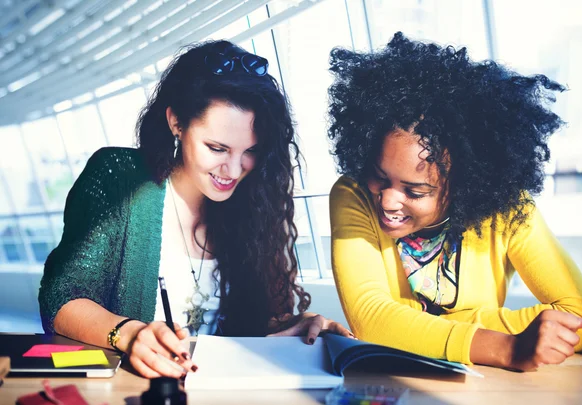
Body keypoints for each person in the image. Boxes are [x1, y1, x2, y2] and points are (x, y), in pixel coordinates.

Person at [39, 40, 351, 379]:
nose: (233, 170)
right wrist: (131, 335)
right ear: (176, 123)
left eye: (250, 151)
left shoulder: (256, 203)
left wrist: (290, 326)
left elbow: (248, 330)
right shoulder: (120, 178)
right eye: (217, 148)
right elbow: (61, 298)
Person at [327, 32, 582, 372]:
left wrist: (415, 323)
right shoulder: (353, 195)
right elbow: (373, 320)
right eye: (379, 177)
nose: (387, 201)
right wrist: (504, 347)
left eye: (415, 192)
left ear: (464, 185)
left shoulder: (508, 211)